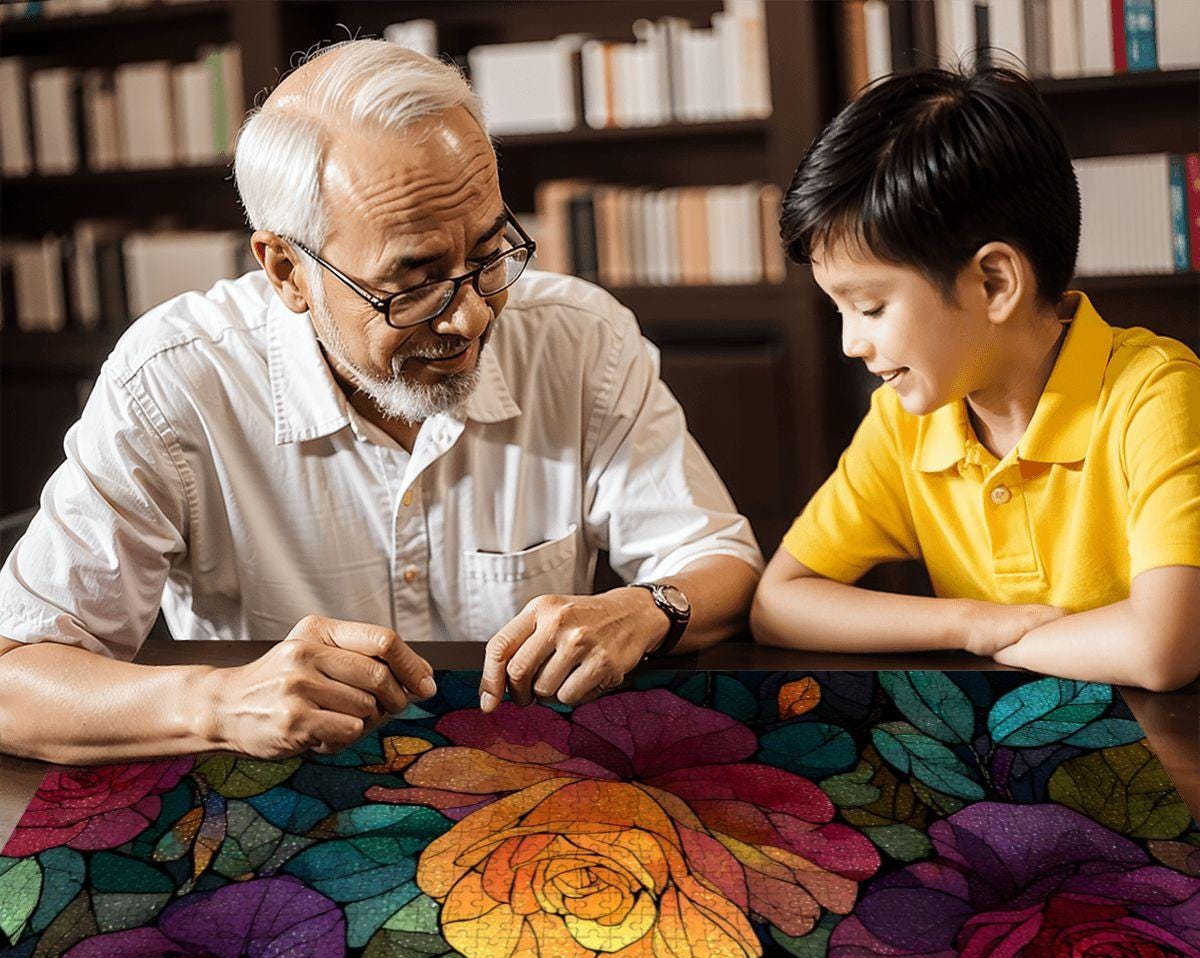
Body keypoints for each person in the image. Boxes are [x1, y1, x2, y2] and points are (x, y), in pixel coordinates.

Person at [0, 40, 762, 765]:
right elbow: (11, 681)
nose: (471, 319)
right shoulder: (174, 380)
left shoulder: (579, 337)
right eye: (415, 282)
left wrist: (647, 608)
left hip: (528, 770)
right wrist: (220, 702)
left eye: (490, 254)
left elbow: (720, 563)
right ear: (287, 271)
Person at [751, 64, 1200, 692]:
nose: (851, 343)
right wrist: (970, 623)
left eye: (871, 307)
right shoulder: (904, 422)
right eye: (839, 309)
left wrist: (1008, 641)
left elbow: (1162, 649)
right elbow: (779, 603)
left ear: (994, 283)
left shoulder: (1156, 393)